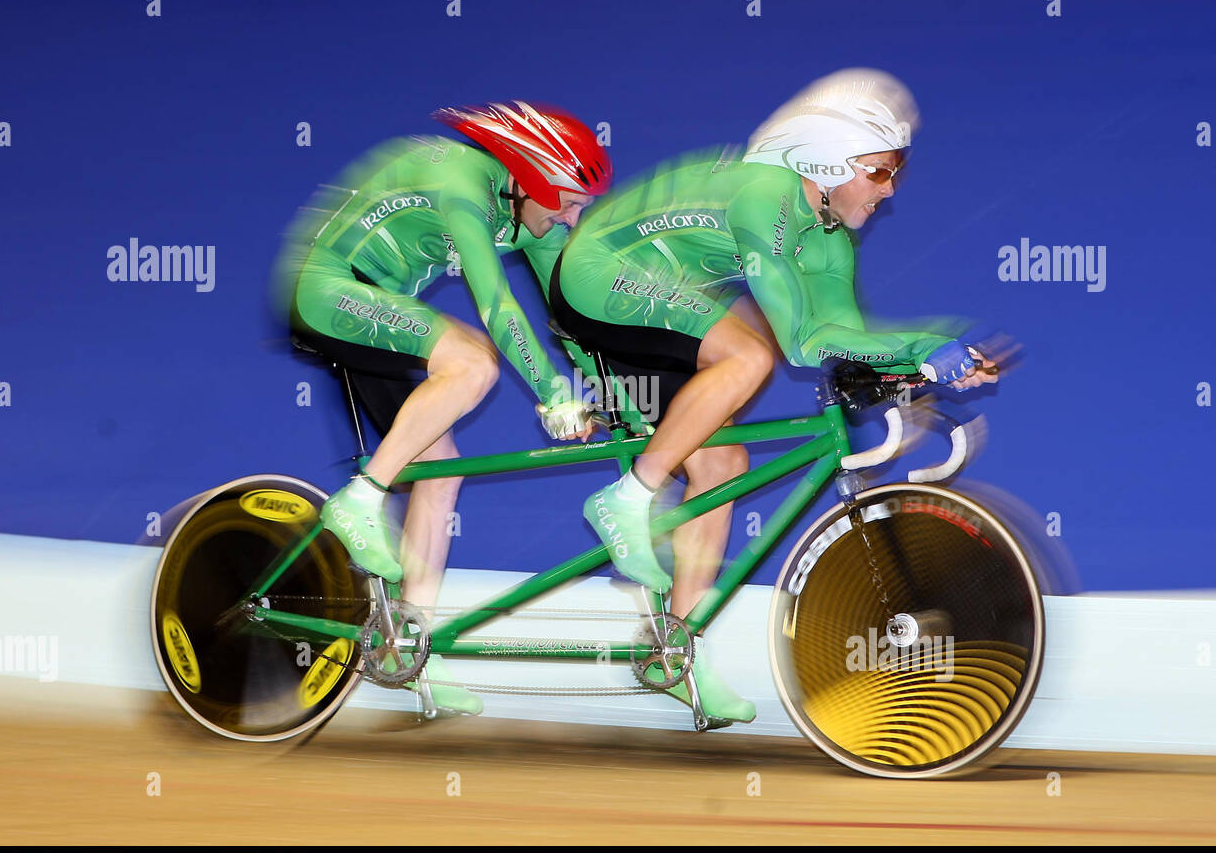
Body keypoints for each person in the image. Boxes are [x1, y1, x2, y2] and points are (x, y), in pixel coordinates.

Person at [550, 69, 998, 723]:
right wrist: (924, 344)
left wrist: (921, 362)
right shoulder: (767, 195)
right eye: (879, 172)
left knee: (723, 466)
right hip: (596, 277)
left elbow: (841, 338)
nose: (890, 189)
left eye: (897, 171)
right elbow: (799, 342)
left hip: (661, 299)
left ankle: (676, 649)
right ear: (827, 160)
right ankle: (627, 498)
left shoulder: (830, 237)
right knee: (751, 352)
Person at [274, 101, 612, 714]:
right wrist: (552, 397)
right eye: (565, 201)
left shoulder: (531, 212)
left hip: (378, 306)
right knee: (473, 362)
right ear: (527, 182)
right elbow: (497, 307)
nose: (572, 216)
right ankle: (361, 499)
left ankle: (407, 651)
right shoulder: (462, 186)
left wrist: (608, 390)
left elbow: (566, 317)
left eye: (580, 205)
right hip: (329, 289)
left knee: (442, 471)